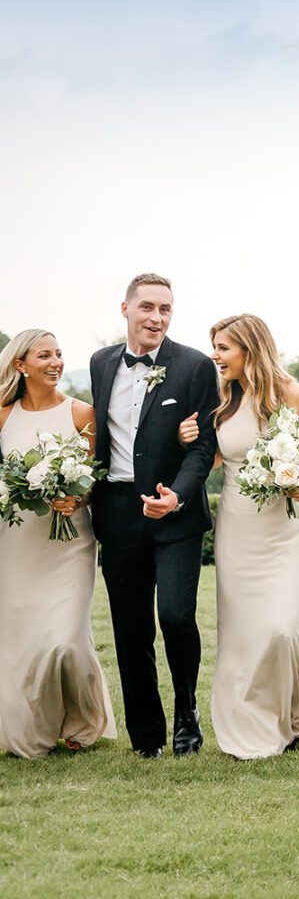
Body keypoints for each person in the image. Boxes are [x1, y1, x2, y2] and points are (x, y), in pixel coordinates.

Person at [178, 314, 299, 757]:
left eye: (223, 348)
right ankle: (250, 718)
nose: (216, 356)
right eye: (215, 347)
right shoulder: (220, 399)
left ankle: (292, 711)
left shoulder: (295, 396)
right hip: (239, 522)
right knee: (243, 628)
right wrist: (189, 438)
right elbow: (216, 458)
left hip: (285, 525)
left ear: (250, 348)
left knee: (282, 626)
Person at [89, 273, 220, 757]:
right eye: (147, 307)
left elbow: (204, 446)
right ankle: (146, 734)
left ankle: (187, 710)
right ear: (125, 309)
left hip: (176, 513)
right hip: (118, 512)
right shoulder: (101, 363)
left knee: (176, 616)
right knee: (130, 627)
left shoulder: (194, 367)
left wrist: (178, 496)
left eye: (165, 309)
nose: (156, 318)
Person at [0, 330, 117, 758]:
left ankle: (84, 721)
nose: (55, 362)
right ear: (20, 365)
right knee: (25, 640)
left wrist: (77, 496)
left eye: (59, 354)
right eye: (44, 355)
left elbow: (93, 479)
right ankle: (36, 725)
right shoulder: (3, 415)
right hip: (17, 543)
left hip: (70, 543)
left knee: (65, 639)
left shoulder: (82, 414)